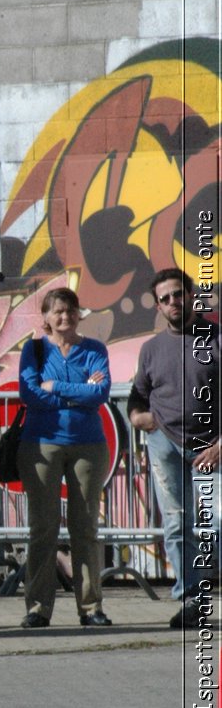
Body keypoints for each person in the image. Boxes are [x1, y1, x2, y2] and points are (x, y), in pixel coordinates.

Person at [128, 268, 220, 630]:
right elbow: (138, 393)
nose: (172, 302)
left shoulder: (215, 338)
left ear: (190, 294)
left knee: (216, 522)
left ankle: (206, 589)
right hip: (165, 443)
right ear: (158, 306)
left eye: (178, 294)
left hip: (211, 447)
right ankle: (191, 600)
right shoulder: (151, 349)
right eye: (164, 299)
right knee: (177, 523)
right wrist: (137, 416)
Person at [17, 288, 112, 628]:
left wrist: (55, 387)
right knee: (43, 527)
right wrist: (78, 393)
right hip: (41, 445)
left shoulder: (94, 350)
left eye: (70, 310)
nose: (64, 317)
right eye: (57, 311)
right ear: (45, 317)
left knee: (84, 527)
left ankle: (91, 608)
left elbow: (99, 393)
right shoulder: (35, 349)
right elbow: (28, 392)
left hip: (88, 445)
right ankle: (38, 608)